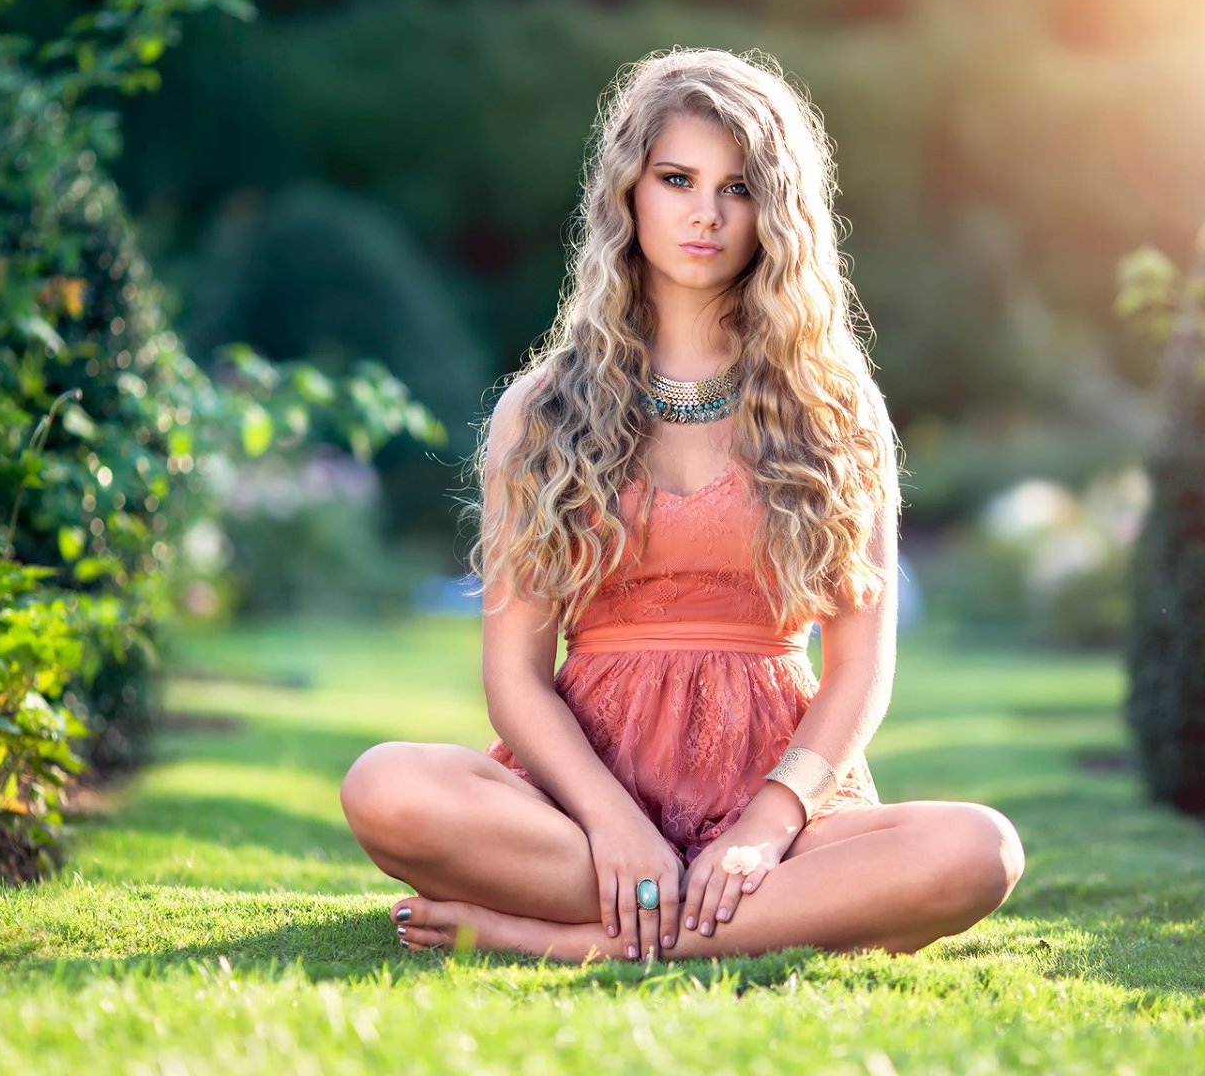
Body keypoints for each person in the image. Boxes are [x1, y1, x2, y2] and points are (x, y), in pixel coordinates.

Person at [339, 47, 1023, 963]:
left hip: (780, 812)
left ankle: (574, 941)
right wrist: (616, 827)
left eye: (737, 188)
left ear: (772, 211)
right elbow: (514, 680)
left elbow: (860, 669)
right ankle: (709, 913)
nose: (706, 212)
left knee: (978, 850)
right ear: (628, 193)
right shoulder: (539, 409)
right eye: (677, 179)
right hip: (581, 807)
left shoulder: (835, 404)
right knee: (387, 787)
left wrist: (766, 826)